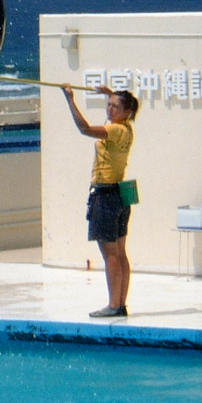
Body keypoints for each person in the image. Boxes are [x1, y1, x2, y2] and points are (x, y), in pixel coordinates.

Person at [63, 84, 139, 318]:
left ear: (126, 112)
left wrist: (70, 100)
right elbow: (121, 108)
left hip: (105, 195)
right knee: (120, 252)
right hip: (121, 194)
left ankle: (114, 305)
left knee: (111, 255)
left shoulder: (115, 130)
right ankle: (120, 304)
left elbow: (84, 128)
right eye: (108, 105)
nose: (109, 109)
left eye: (115, 106)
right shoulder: (127, 129)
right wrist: (110, 93)